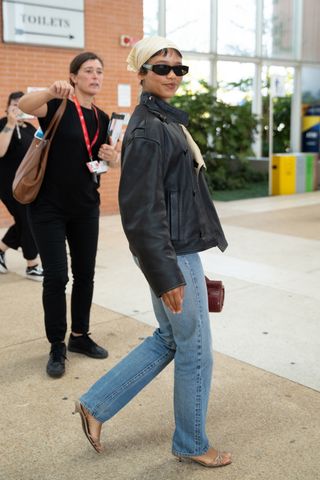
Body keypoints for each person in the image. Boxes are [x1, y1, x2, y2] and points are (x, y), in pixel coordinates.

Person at [74, 37, 232, 468]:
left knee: (170, 338)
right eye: (162, 68)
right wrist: (166, 276)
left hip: (174, 247)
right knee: (196, 348)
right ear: (141, 72)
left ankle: (96, 404)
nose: (172, 76)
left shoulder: (164, 121)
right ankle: (192, 442)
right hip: (171, 253)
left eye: (179, 69)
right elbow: (140, 210)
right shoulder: (148, 129)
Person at [18, 52, 120, 378]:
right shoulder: (58, 106)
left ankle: (80, 336)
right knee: (56, 277)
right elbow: (24, 106)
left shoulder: (103, 119)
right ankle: (56, 345)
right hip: (47, 207)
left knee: (85, 275)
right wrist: (50, 91)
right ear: (74, 76)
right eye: (88, 71)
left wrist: (112, 158)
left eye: (99, 71)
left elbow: (102, 164)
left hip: (86, 207)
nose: (95, 76)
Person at [0, 91, 43, 280]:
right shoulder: (3, 124)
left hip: (27, 185)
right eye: (14, 103)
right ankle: (32, 264)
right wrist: (10, 123)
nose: (18, 106)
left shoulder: (29, 127)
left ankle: (0, 250)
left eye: (21, 103)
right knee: (28, 220)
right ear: (8, 106)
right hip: (8, 184)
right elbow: (0, 151)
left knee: (24, 220)